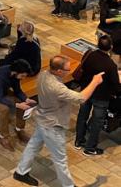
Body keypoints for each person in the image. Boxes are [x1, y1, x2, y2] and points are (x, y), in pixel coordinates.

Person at [13, 56, 105, 186]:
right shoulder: (56, 87)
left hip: (43, 118)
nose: (69, 71)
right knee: (60, 159)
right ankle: (68, 185)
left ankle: (21, 172)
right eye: (67, 69)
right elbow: (81, 98)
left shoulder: (44, 74)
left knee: (33, 145)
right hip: (53, 125)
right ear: (59, 71)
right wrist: (95, 82)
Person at [74, 35, 121, 155]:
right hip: (101, 97)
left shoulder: (89, 55)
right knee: (97, 122)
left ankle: (79, 141)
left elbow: (83, 68)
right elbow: (116, 85)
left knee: (82, 116)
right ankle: (90, 148)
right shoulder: (111, 65)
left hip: (86, 92)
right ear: (110, 47)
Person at [0, 59, 35, 151]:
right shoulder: (1, 75)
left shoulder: (15, 75)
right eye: (23, 75)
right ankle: (3, 136)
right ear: (16, 72)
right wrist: (17, 105)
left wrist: (26, 99)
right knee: (4, 109)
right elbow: (0, 98)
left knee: (21, 101)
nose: (23, 78)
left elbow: (17, 90)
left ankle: (19, 129)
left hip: (1, 91)